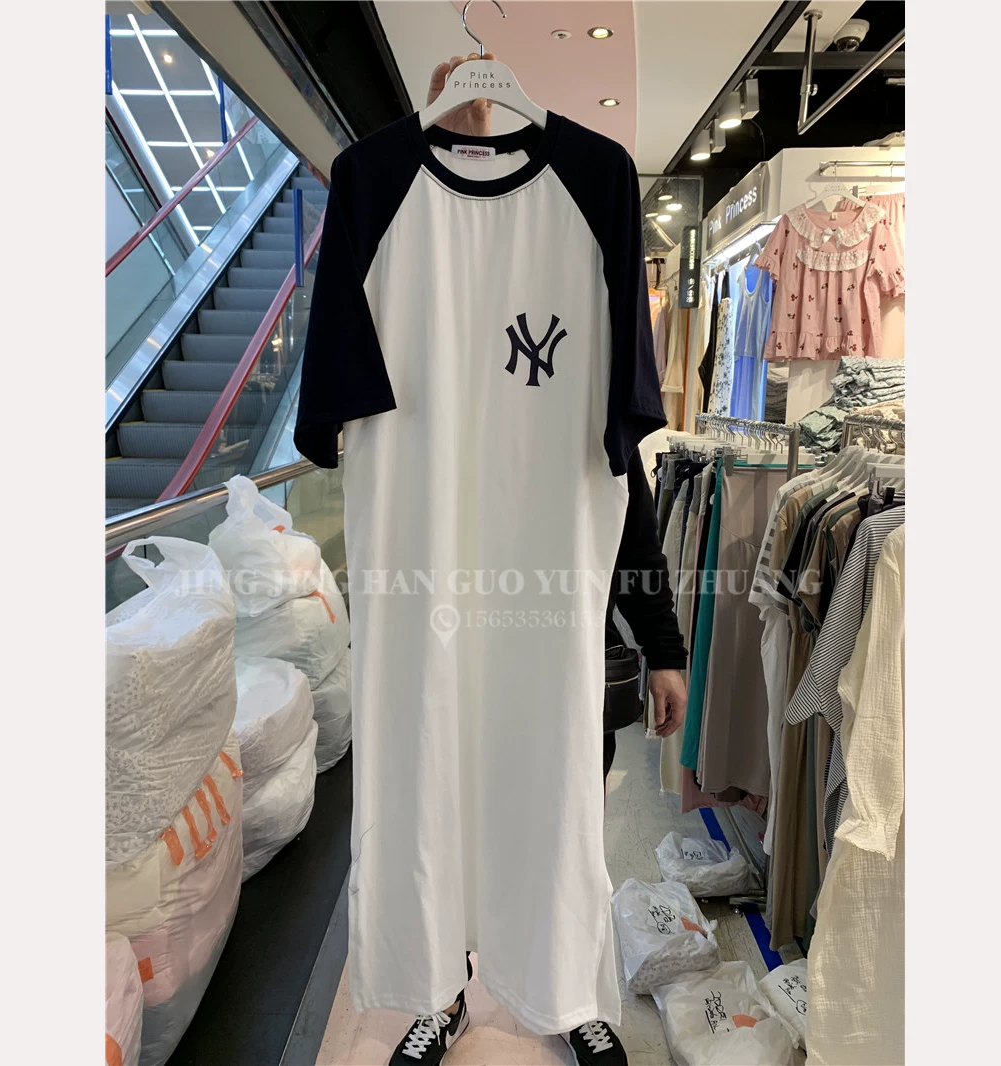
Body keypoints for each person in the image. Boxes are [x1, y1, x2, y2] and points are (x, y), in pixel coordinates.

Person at [385, 57, 687, 1066]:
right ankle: (442, 991)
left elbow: (620, 475)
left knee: (562, 817)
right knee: (441, 816)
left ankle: (567, 990)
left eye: (487, 113)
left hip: (553, 636)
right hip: (436, 629)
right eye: (456, 115)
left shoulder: (582, 214)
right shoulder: (399, 235)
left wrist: (662, 644)